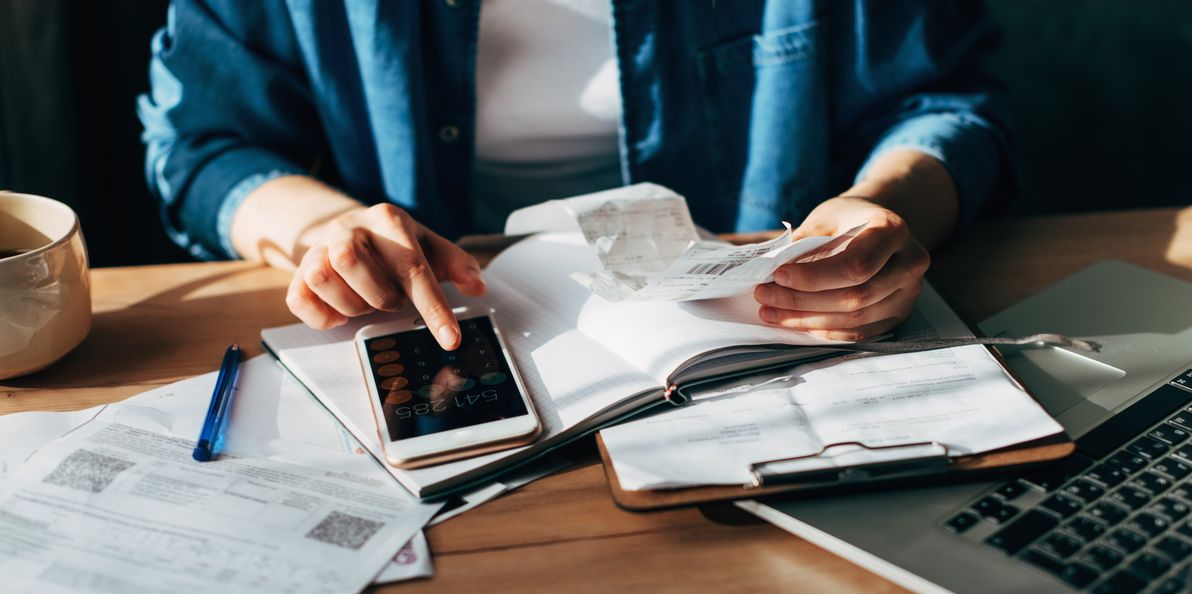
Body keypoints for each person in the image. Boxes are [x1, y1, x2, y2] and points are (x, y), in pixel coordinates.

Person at [138, 0, 1013, 351]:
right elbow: (202, 144)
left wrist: (882, 208)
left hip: (776, 330)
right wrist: (327, 231)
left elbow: (945, 105)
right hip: (457, 326)